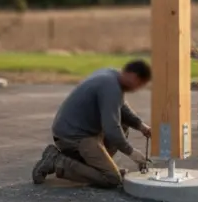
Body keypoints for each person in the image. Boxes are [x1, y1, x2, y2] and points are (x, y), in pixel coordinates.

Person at [32, 60, 153, 188]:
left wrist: (141, 126)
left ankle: (98, 168)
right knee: (112, 179)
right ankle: (57, 161)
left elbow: (121, 107)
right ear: (133, 76)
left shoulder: (112, 76)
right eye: (139, 84)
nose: (137, 89)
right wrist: (132, 153)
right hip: (74, 137)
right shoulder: (110, 87)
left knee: (123, 124)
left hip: (77, 131)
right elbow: (111, 128)